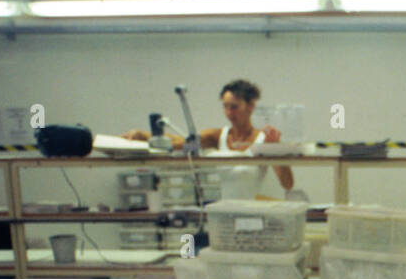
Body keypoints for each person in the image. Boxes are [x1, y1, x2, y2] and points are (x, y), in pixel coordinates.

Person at [123, 79, 294, 194]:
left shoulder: (263, 140)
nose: (229, 113)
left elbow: (287, 184)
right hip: (220, 213)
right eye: (225, 107)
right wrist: (144, 135)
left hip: (251, 215)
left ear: (250, 106)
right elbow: (180, 142)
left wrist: (276, 150)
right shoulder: (216, 136)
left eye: (234, 107)